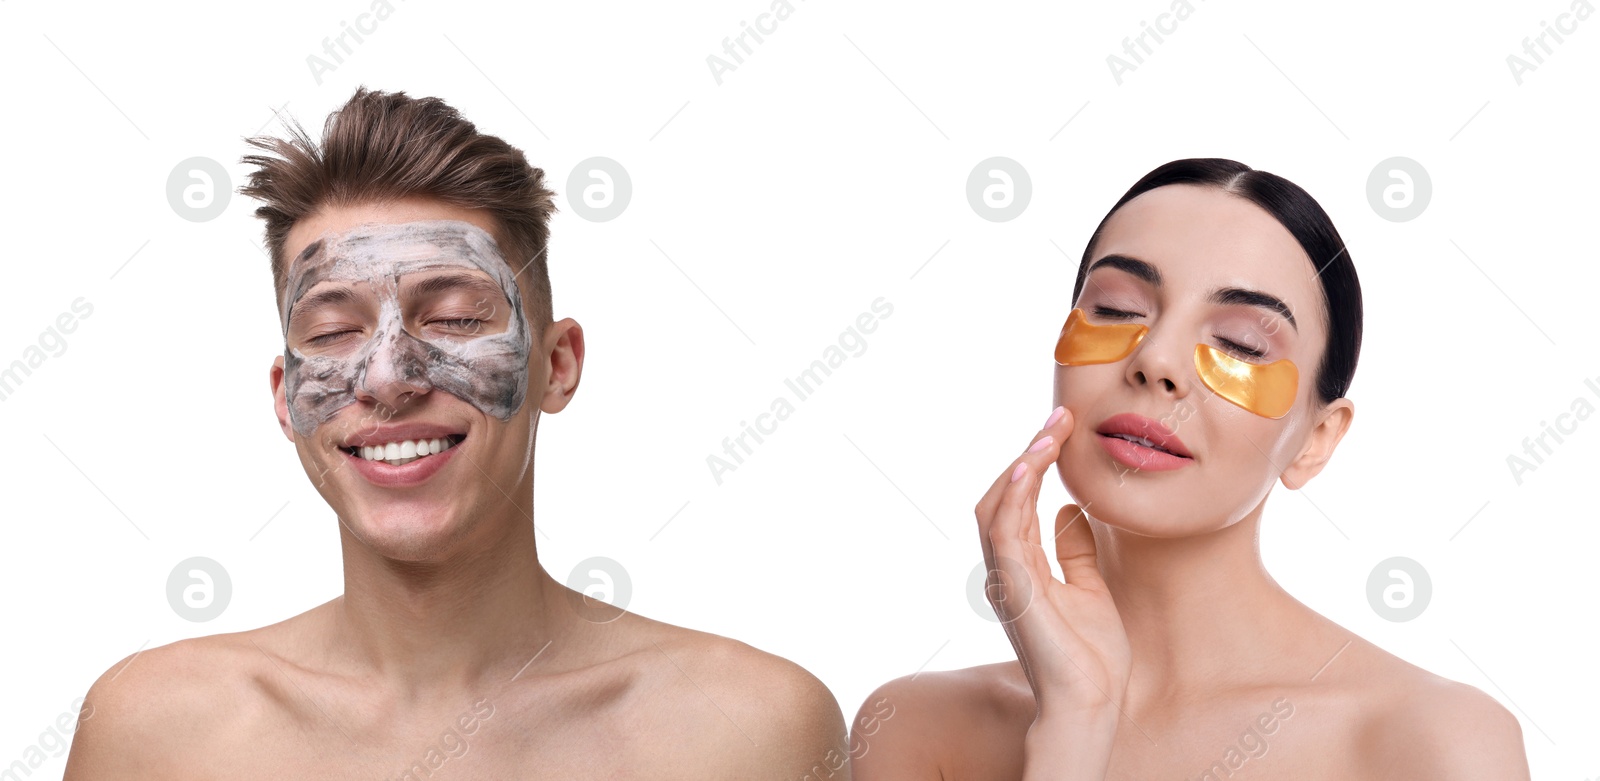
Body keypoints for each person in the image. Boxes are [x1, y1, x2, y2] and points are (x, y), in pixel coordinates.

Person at [64, 87, 847, 778]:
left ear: (558, 364)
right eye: (334, 329)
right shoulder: (154, 732)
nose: (387, 376)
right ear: (285, 395)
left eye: (456, 317)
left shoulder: (752, 732)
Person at [849, 158, 1530, 779]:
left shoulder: (1435, 741)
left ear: (1317, 438)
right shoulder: (917, 729)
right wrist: (1074, 724)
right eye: (1114, 309)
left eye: (1239, 342)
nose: (1157, 360)